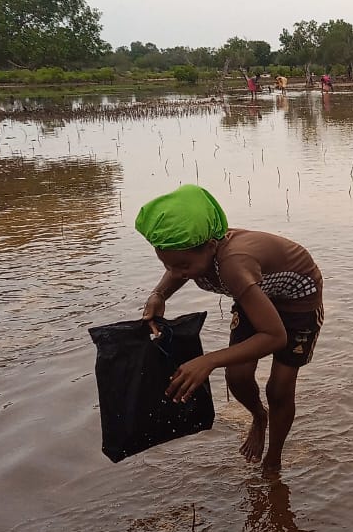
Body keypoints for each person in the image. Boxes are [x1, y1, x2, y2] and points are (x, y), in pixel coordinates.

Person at [136, 184, 324, 472]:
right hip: (256, 291)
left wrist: (207, 361)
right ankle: (259, 417)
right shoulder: (195, 252)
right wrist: (159, 294)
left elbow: (275, 336)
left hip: (299, 300)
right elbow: (178, 267)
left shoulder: (233, 265)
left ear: (211, 246)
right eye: (168, 265)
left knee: (279, 387)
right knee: (237, 376)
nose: (176, 273)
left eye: (183, 265)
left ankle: (273, 460)